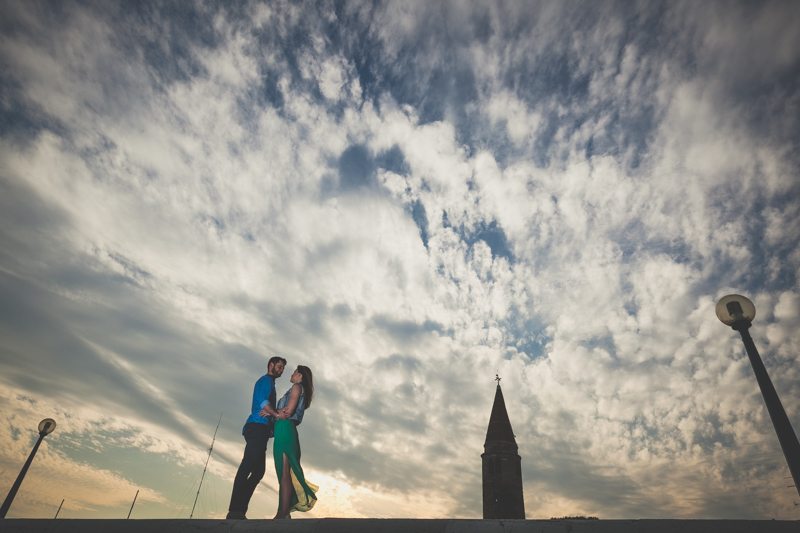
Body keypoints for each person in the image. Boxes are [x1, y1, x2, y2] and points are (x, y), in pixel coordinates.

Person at [226, 356, 286, 520]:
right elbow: (262, 402)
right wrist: (275, 413)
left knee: (258, 472)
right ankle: (234, 511)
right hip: (257, 427)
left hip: (262, 429)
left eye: (283, 369)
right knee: (248, 466)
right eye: (279, 367)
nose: (281, 371)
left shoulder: (271, 384)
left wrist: (273, 417)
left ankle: (239, 511)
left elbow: (267, 405)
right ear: (271, 365)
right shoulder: (265, 380)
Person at [269, 365, 317, 519]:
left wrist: (271, 411)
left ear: (300, 375)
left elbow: (289, 410)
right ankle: (283, 511)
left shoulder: (296, 387)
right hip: (284, 429)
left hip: (285, 428)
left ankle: (283, 512)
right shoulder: (297, 389)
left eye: (294, 372)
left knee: (284, 472)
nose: (291, 374)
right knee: (283, 472)